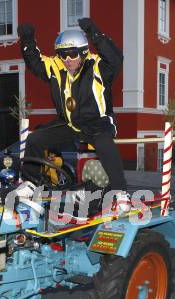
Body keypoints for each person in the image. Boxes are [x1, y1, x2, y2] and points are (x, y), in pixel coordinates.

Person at [16, 18, 130, 213]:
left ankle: (120, 194)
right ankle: (29, 183)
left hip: (97, 123)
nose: (67, 59)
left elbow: (116, 58)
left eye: (72, 53)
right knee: (35, 139)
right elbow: (34, 61)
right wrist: (27, 40)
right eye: (62, 54)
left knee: (104, 144)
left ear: (84, 52)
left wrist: (94, 33)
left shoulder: (97, 66)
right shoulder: (56, 66)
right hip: (69, 123)